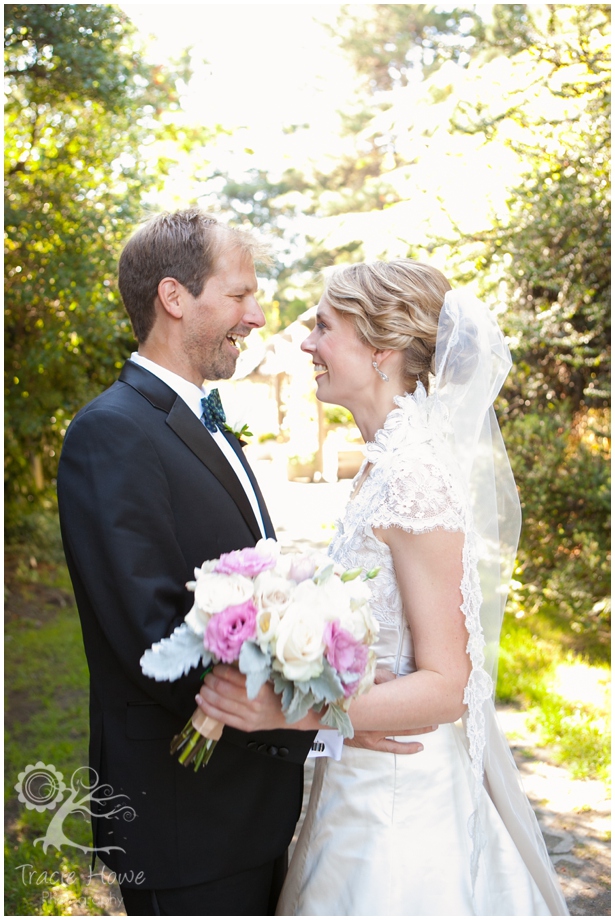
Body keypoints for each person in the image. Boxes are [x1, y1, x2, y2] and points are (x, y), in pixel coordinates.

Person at [57, 211, 425, 917]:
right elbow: (154, 644)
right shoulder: (111, 434)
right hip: (186, 819)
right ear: (174, 298)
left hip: (244, 813)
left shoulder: (199, 421)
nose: (256, 316)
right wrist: (323, 715)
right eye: (239, 294)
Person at [197, 260, 570, 916]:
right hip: (353, 782)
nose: (306, 343)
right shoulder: (382, 469)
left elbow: (448, 684)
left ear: (381, 350)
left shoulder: (414, 481)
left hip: (401, 811)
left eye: (322, 327)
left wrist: (291, 713)